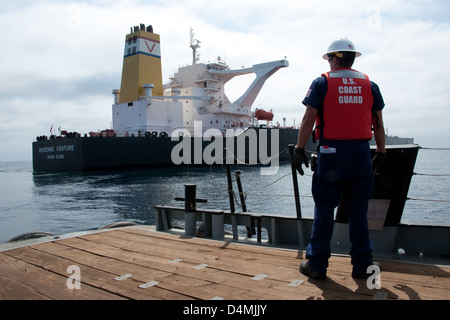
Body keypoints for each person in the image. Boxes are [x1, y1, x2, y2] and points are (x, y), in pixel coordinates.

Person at [294, 37, 386, 280]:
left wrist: (299, 149)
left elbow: (309, 117)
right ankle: (363, 266)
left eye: (330, 59)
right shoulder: (370, 84)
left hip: (331, 156)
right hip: (360, 156)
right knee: (358, 211)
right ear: (353, 58)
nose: (330, 63)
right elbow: (378, 123)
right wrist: (381, 152)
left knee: (324, 211)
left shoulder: (322, 82)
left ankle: (316, 266)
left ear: (334, 58)